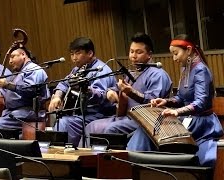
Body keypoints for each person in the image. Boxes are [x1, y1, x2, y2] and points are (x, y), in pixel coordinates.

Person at [127, 34, 224, 167]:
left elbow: (201, 102)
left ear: (188, 50)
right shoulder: (186, 67)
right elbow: (181, 97)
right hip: (187, 118)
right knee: (147, 129)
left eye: (176, 53)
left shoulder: (200, 70)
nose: (174, 58)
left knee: (153, 130)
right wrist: (165, 101)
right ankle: (136, 162)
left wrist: (177, 112)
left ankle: (134, 162)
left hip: (201, 122)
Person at [81, 33, 172, 146]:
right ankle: (88, 161)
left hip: (145, 120)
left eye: (139, 52)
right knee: (92, 127)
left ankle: (112, 162)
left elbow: (153, 102)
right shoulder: (130, 73)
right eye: (131, 51)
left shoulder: (158, 75)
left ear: (149, 54)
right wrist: (110, 92)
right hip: (126, 117)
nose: (134, 56)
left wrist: (132, 93)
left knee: (112, 129)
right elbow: (116, 89)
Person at [48, 37, 117, 147]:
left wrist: (86, 89)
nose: (74, 58)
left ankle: (67, 155)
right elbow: (64, 83)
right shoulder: (78, 69)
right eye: (72, 54)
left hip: (97, 114)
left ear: (90, 53)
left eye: (77, 53)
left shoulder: (101, 70)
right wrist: (57, 96)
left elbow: (100, 95)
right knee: (60, 119)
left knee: (65, 123)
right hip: (80, 114)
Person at [0, 44, 49, 137]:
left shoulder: (34, 69)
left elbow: (31, 89)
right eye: (9, 59)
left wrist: (7, 85)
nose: (10, 61)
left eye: (13, 57)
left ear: (23, 54)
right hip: (13, 113)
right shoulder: (17, 74)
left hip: (27, 112)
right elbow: (9, 97)